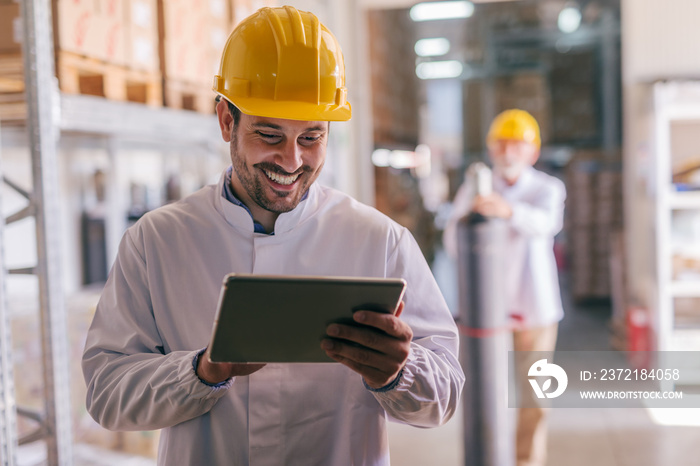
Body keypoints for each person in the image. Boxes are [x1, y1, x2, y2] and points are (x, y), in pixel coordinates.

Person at [82, 6, 464, 465]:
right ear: (226, 121)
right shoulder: (157, 242)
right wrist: (203, 372)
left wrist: (397, 374)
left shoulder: (381, 242)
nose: (291, 161)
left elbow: (444, 396)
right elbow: (106, 393)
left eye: (311, 138)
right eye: (269, 134)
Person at [443, 109, 566, 466]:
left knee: (534, 397)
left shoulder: (547, 188)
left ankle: (528, 461)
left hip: (535, 311)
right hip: (487, 311)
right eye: (502, 144)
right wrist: (475, 217)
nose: (508, 151)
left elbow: (547, 224)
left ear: (533, 152)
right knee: (487, 392)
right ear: (491, 150)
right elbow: (453, 240)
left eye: (517, 144)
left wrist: (506, 210)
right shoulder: (475, 188)